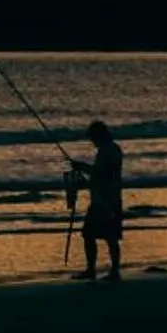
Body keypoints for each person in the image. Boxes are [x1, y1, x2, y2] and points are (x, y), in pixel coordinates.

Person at [72, 119, 124, 281]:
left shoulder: (108, 151)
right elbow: (103, 176)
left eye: (93, 137)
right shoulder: (111, 149)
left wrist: (81, 167)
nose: (92, 141)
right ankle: (111, 270)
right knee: (109, 237)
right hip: (109, 198)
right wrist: (87, 181)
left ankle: (95, 270)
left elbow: (99, 173)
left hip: (104, 201)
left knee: (91, 235)